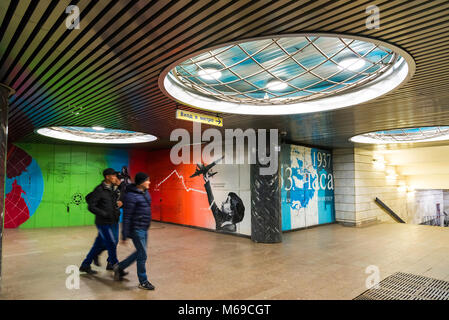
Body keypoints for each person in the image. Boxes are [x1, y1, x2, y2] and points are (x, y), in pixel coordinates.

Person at [114, 172, 155, 290]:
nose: (149, 182)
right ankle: (143, 281)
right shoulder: (131, 196)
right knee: (142, 255)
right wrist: (124, 235)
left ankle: (120, 267)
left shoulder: (145, 193)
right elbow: (127, 217)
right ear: (141, 182)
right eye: (147, 180)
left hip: (144, 227)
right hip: (136, 229)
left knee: (140, 253)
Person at [79, 168, 123, 274]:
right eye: (113, 176)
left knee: (104, 244)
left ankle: (85, 265)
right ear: (107, 177)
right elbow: (91, 207)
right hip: (103, 222)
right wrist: (104, 214)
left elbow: (115, 202)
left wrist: (119, 205)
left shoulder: (113, 189)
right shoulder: (99, 190)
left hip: (114, 221)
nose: (115, 178)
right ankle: (115, 266)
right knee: (111, 243)